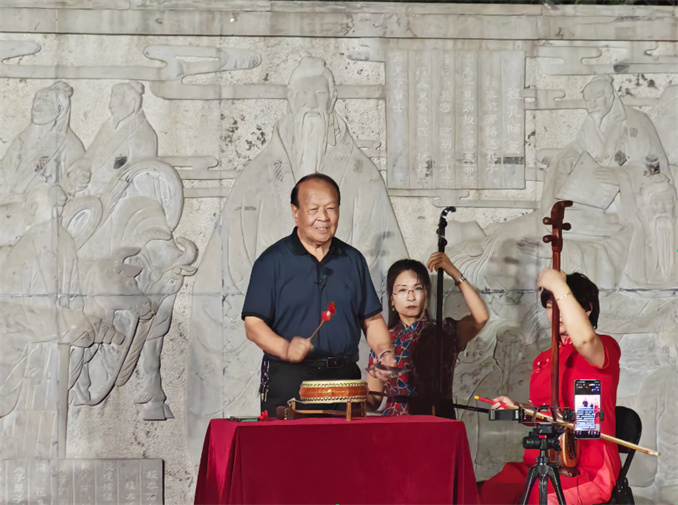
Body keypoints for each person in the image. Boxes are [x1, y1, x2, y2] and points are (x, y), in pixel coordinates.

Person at [242, 173, 396, 416]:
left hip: (344, 381)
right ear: (295, 212)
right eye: (314, 209)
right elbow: (253, 325)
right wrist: (285, 348)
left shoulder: (352, 260)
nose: (323, 217)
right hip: (291, 380)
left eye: (331, 208)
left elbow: (372, 319)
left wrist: (384, 352)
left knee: (347, 442)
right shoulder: (272, 261)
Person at [479, 269, 621, 505]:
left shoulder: (604, 347)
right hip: (543, 460)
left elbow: (585, 340)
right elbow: (543, 412)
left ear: (587, 309)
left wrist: (559, 286)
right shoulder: (543, 360)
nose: (557, 314)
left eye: (563, 305)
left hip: (589, 466)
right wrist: (518, 408)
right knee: (493, 492)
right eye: (549, 306)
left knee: (540, 499)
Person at [366, 254, 488, 415]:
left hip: (438, 420)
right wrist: (352, 394)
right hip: (395, 425)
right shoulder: (383, 340)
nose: (411, 297)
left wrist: (455, 274)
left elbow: (481, 317)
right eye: (402, 290)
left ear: (426, 294)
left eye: (418, 288)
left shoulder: (445, 331)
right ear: (392, 299)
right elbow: (373, 401)